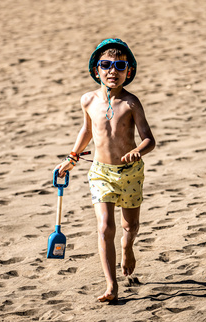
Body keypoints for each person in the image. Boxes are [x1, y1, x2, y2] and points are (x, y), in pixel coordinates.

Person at [54, 38, 156, 302]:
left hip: (130, 173)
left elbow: (149, 138)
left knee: (129, 225)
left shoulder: (131, 103)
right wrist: (71, 158)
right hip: (100, 173)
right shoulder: (87, 100)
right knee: (104, 227)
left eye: (120, 66)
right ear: (97, 69)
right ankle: (111, 286)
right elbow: (87, 131)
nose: (113, 70)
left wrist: (138, 151)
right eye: (106, 65)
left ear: (128, 71)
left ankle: (127, 247)